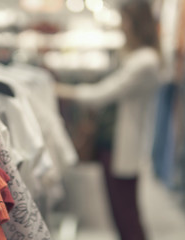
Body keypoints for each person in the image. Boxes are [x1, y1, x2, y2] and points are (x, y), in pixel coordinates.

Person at [56, 1, 160, 240]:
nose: (122, 26)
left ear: (137, 23)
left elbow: (104, 93)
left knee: (126, 214)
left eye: (125, 20)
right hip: (111, 143)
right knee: (120, 211)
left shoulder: (145, 61)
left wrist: (63, 91)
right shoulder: (134, 56)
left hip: (121, 145)